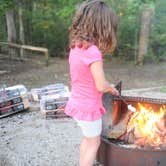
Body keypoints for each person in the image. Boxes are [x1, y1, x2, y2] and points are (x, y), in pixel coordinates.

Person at [65, 0, 119, 166]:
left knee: (88, 140)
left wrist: (106, 85)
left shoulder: (76, 46)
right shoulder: (93, 52)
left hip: (77, 103)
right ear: (102, 26)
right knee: (94, 143)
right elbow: (101, 86)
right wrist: (111, 88)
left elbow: (87, 78)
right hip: (88, 108)